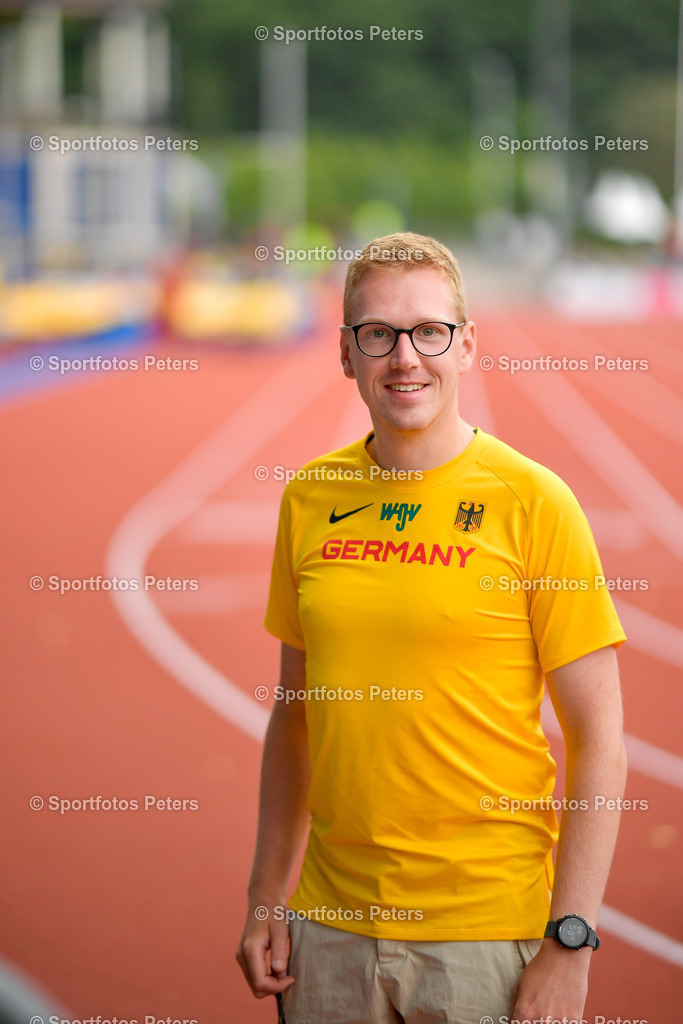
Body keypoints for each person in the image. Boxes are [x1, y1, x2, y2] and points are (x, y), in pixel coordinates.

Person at [236, 232, 627, 1024]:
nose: (404, 357)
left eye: (428, 332)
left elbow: (600, 737)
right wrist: (262, 897)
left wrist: (570, 939)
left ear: (466, 344)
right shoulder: (308, 499)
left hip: (483, 939)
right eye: (376, 334)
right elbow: (295, 713)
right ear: (346, 354)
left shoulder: (534, 503)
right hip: (329, 932)